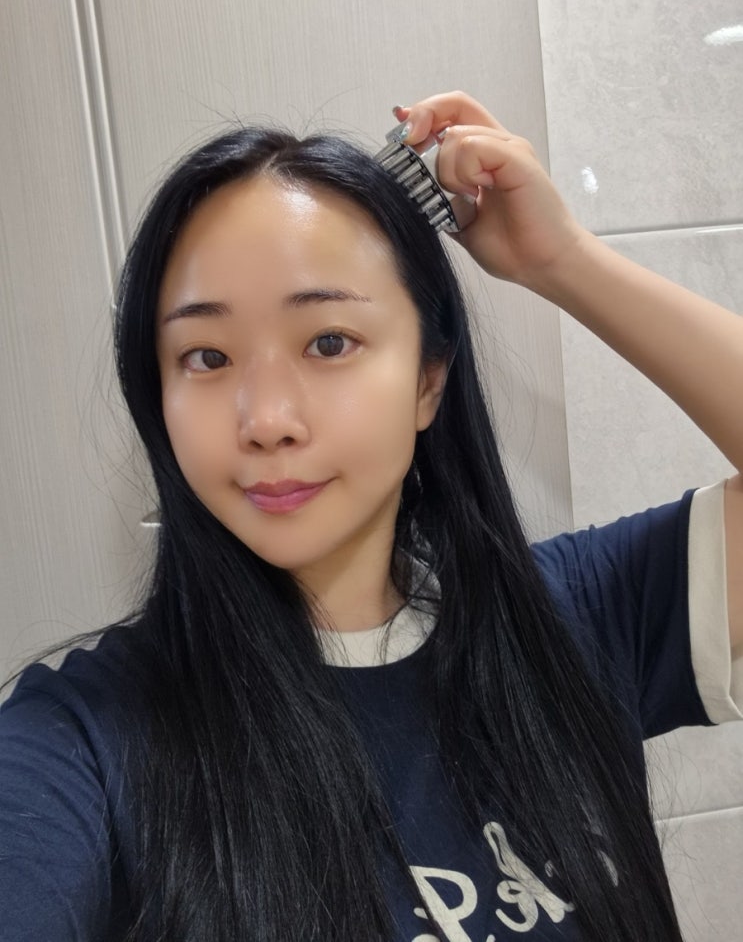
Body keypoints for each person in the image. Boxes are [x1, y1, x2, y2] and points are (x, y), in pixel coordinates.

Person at [0, 89, 740, 942]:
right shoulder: (84, 742)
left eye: (328, 342)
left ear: (428, 379)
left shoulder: (571, 616)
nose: (266, 419)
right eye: (205, 356)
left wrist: (562, 260)